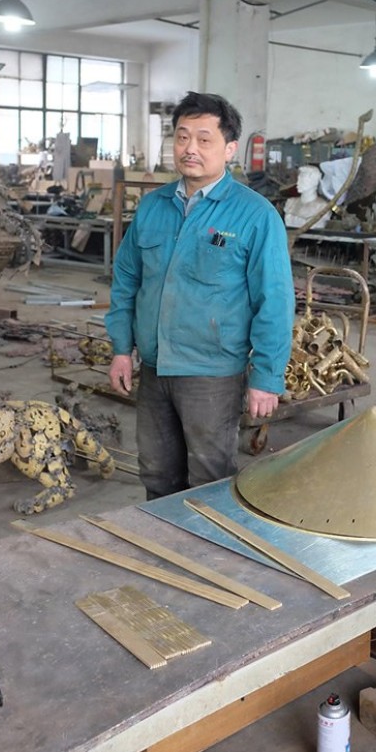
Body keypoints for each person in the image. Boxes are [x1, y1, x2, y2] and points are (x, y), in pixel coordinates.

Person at [105, 91, 295, 499]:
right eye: (182, 137)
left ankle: (207, 558)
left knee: (209, 477)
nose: (190, 149)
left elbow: (274, 301)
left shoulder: (255, 215)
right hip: (155, 369)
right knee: (156, 472)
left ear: (229, 149)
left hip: (212, 374)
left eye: (204, 139)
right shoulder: (153, 207)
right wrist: (122, 348)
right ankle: (162, 551)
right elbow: (126, 280)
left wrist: (266, 377)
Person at [283, 164, 329, 229]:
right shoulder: (290, 202)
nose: (298, 183)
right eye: (298, 179)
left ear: (314, 182)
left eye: (303, 180)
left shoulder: (322, 206)